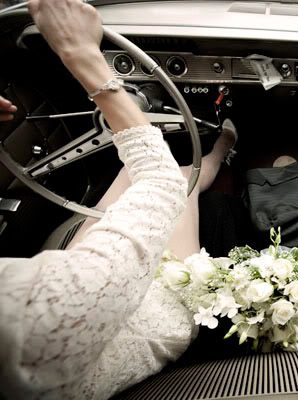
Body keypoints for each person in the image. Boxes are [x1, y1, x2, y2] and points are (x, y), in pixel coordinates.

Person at [0, 0, 235, 398]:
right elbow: (161, 182)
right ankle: (223, 147)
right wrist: (84, 57)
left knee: (130, 173)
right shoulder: (38, 317)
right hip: (152, 308)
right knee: (182, 181)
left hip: (72, 285)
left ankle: (219, 150)